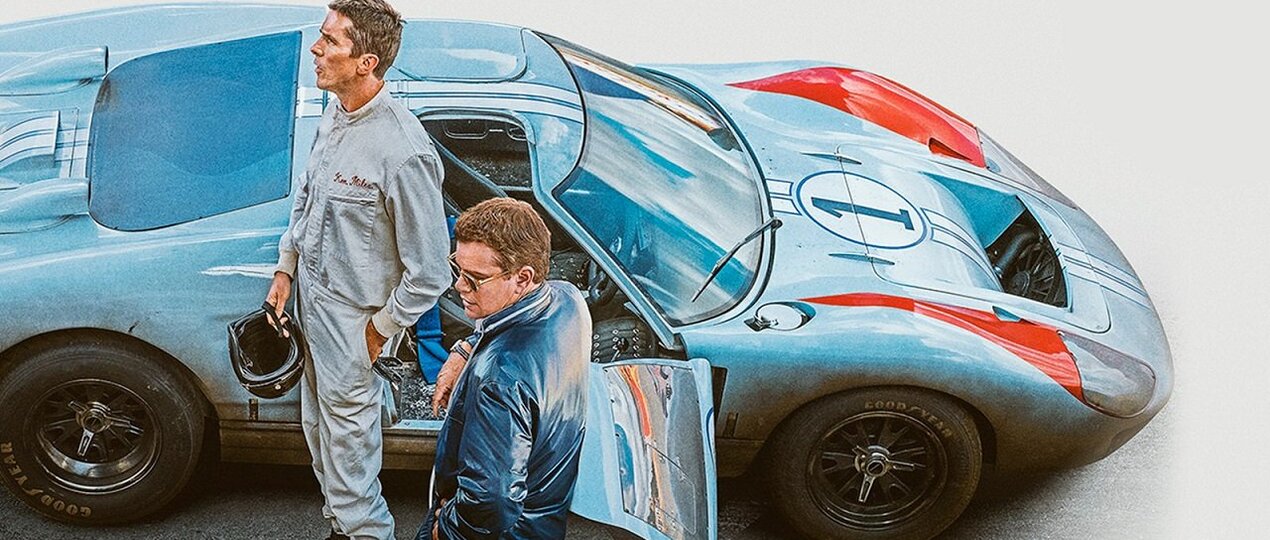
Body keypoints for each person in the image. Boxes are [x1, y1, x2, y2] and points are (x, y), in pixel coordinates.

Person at [264, 1, 450, 538]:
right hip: (310, 307)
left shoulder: (403, 151)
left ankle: (366, 532)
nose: (316, 48)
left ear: (366, 62)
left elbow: (431, 270)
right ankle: (340, 527)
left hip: (354, 323)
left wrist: (379, 330)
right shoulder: (335, 114)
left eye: (331, 41)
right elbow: (307, 197)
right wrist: (285, 269)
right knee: (319, 432)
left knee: (350, 449)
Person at [418, 198, 592, 540]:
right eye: (458, 269)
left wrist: (445, 529)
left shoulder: (499, 378)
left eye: (475, 279)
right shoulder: (567, 299)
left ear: (523, 278)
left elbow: (491, 501)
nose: (459, 286)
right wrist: (466, 348)